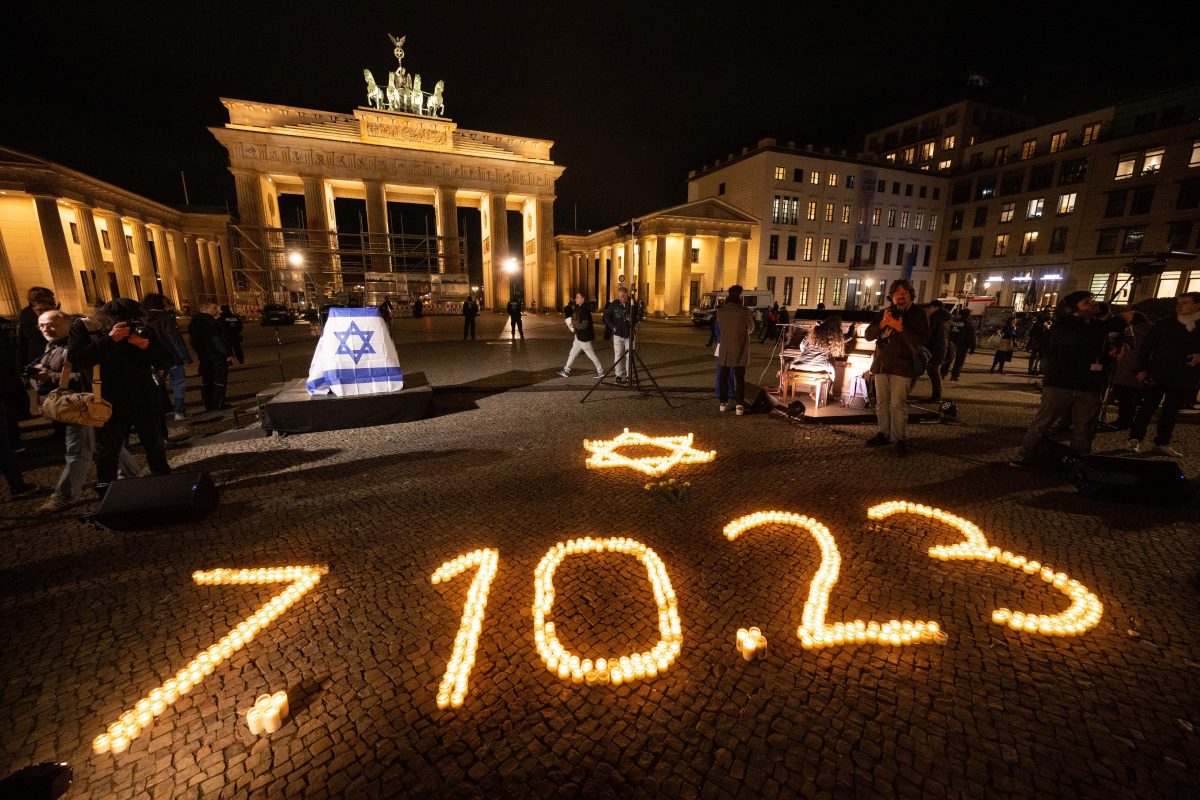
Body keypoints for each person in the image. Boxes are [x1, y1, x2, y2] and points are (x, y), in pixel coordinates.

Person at [31, 310, 142, 512]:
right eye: (41, 325)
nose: (45, 329)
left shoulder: (81, 340)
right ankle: (133, 475)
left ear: (68, 323)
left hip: (85, 402)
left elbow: (85, 372)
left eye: (51, 324)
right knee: (108, 444)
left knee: (79, 449)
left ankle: (64, 495)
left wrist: (52, 376)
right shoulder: (53, 345)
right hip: (74, 403)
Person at [67, 298, 173, 490]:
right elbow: (76, 360)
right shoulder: (85, 328)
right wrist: (109, 340)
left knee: (154, 445)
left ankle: (165, 484)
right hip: (108, 400)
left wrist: (145, 346)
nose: (127, 325)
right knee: (108, 450)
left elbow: (167, 361)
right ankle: (107, 491)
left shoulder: (140, 329)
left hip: (144, 397)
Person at [1009, 291, 1108, 467]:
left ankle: (1080, 463)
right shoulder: (1061, 327)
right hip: (1060, 384)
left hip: (1089, 384)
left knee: (1084, 429)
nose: (1092, 303)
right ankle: (1025, 455)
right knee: (1042, 423)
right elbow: (1074, 342)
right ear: (1072, 309)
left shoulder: (1099, 327)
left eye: (1092, 300)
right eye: (1086, 302)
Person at [1125, 292, 1200, 456]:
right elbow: (1146, 347)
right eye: (1178, 303)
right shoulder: (1164, 323)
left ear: (1197, 305)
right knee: (1148, 407)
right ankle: (1134, 438)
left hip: (1185, 375)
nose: (1179, 306)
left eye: (1185, 303)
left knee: (1171, 410)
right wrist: (1141, 369)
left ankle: (1162, 442)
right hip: (1158, 372)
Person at [864, 279, 930, 456]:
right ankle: (883, 433)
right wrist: (883, 324)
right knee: (881, 402)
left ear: (910, 294)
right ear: (892, 296)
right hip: (882, 364)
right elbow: (868, 335)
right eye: (897, 293)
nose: (900, 295)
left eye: (904, 292)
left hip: (903, 365)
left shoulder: (918, 313)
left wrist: (900, 328)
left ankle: (898, 439)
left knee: (898, 404)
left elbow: (920, 341)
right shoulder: (885, 312)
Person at [144, 294, 191, 420]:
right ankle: (179, 411)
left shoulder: (145, 320)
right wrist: (185, 357)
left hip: (155, 358)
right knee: (178, 383)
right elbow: (175, 340)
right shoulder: (165, 318)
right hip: (171, 356)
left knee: (158, 385)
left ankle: (160, 410)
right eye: (165, 302)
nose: (167, 304)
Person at [714, 284, 755, 414]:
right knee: (740, 378)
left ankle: (723, 403)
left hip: (725, 347)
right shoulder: (744, 311)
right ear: (739, 296)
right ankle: (739, 406)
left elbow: (720, 328)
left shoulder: (721, 311)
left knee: (724, 376)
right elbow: (751, 328)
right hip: (740, 347)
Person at [1108, 309, 1152, 431]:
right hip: (1135, 370)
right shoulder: (1148, 331)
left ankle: (1124, 421)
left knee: (1126, 398)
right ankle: (1125, 420)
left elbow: (1129, 352)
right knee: (1129, 398)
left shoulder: (1135, 333)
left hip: (1128, 370)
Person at [187, 301, 234, 411]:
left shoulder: (193, 322)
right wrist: (226, 353)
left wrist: (200, 351)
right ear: (206, 308)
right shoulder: (210, 322)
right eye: (214, 308)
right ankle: (218, 404)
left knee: (207, 380)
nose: (216, 310)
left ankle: (207, 404)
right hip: (216, 355)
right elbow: (216, 339)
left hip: (204, 356)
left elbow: (192, 341)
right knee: (219, 380)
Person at [556, 292, 604, 378]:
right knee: (573, 353)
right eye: (576, 297)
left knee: (591, 355)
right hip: (579, 336)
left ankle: (600, 371)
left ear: (582, 299)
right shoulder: (579, 307)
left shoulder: (584, 309)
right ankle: (566, 370)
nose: (575, 299)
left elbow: (585, 324)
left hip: (584, 337)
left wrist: (574, 327)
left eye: (578, 298)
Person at [919, 299, 951, 401]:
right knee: (934, 372)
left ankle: (936, 396)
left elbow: (929, 335)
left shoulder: (935, 318)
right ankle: (936, 396)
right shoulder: (944, 318)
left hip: (935, 349)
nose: (928, 309)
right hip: (941, 348)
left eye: (930, 307)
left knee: (934, 372)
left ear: (936, 308)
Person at [603, 286, 636, 384]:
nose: (622, 299)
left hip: (629, 333)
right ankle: (618, 375)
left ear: (627, 295)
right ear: (618, 296)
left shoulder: (632, 303)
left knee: (630, 356)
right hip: (618, 334)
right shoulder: (614, 304)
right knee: (618, 355)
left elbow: (638, 316)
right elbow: (607, 316)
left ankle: (629, 376)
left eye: (624, 297)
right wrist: (612, 326)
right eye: (620, 297)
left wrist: (632, 319)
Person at [17, 286, 55, 365]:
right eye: (51, 297)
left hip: (43, 357)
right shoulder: (29, 316)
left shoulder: (27, 312)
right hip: (39, 358)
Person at [943, 308, 976, 381]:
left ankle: (943, 373)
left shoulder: (953, 321)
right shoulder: (968, 323)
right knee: (959, 361)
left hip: (951, 342)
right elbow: (971, 336)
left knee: (948, 358)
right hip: (962, 345)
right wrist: (972, 347)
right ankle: (955, 375)